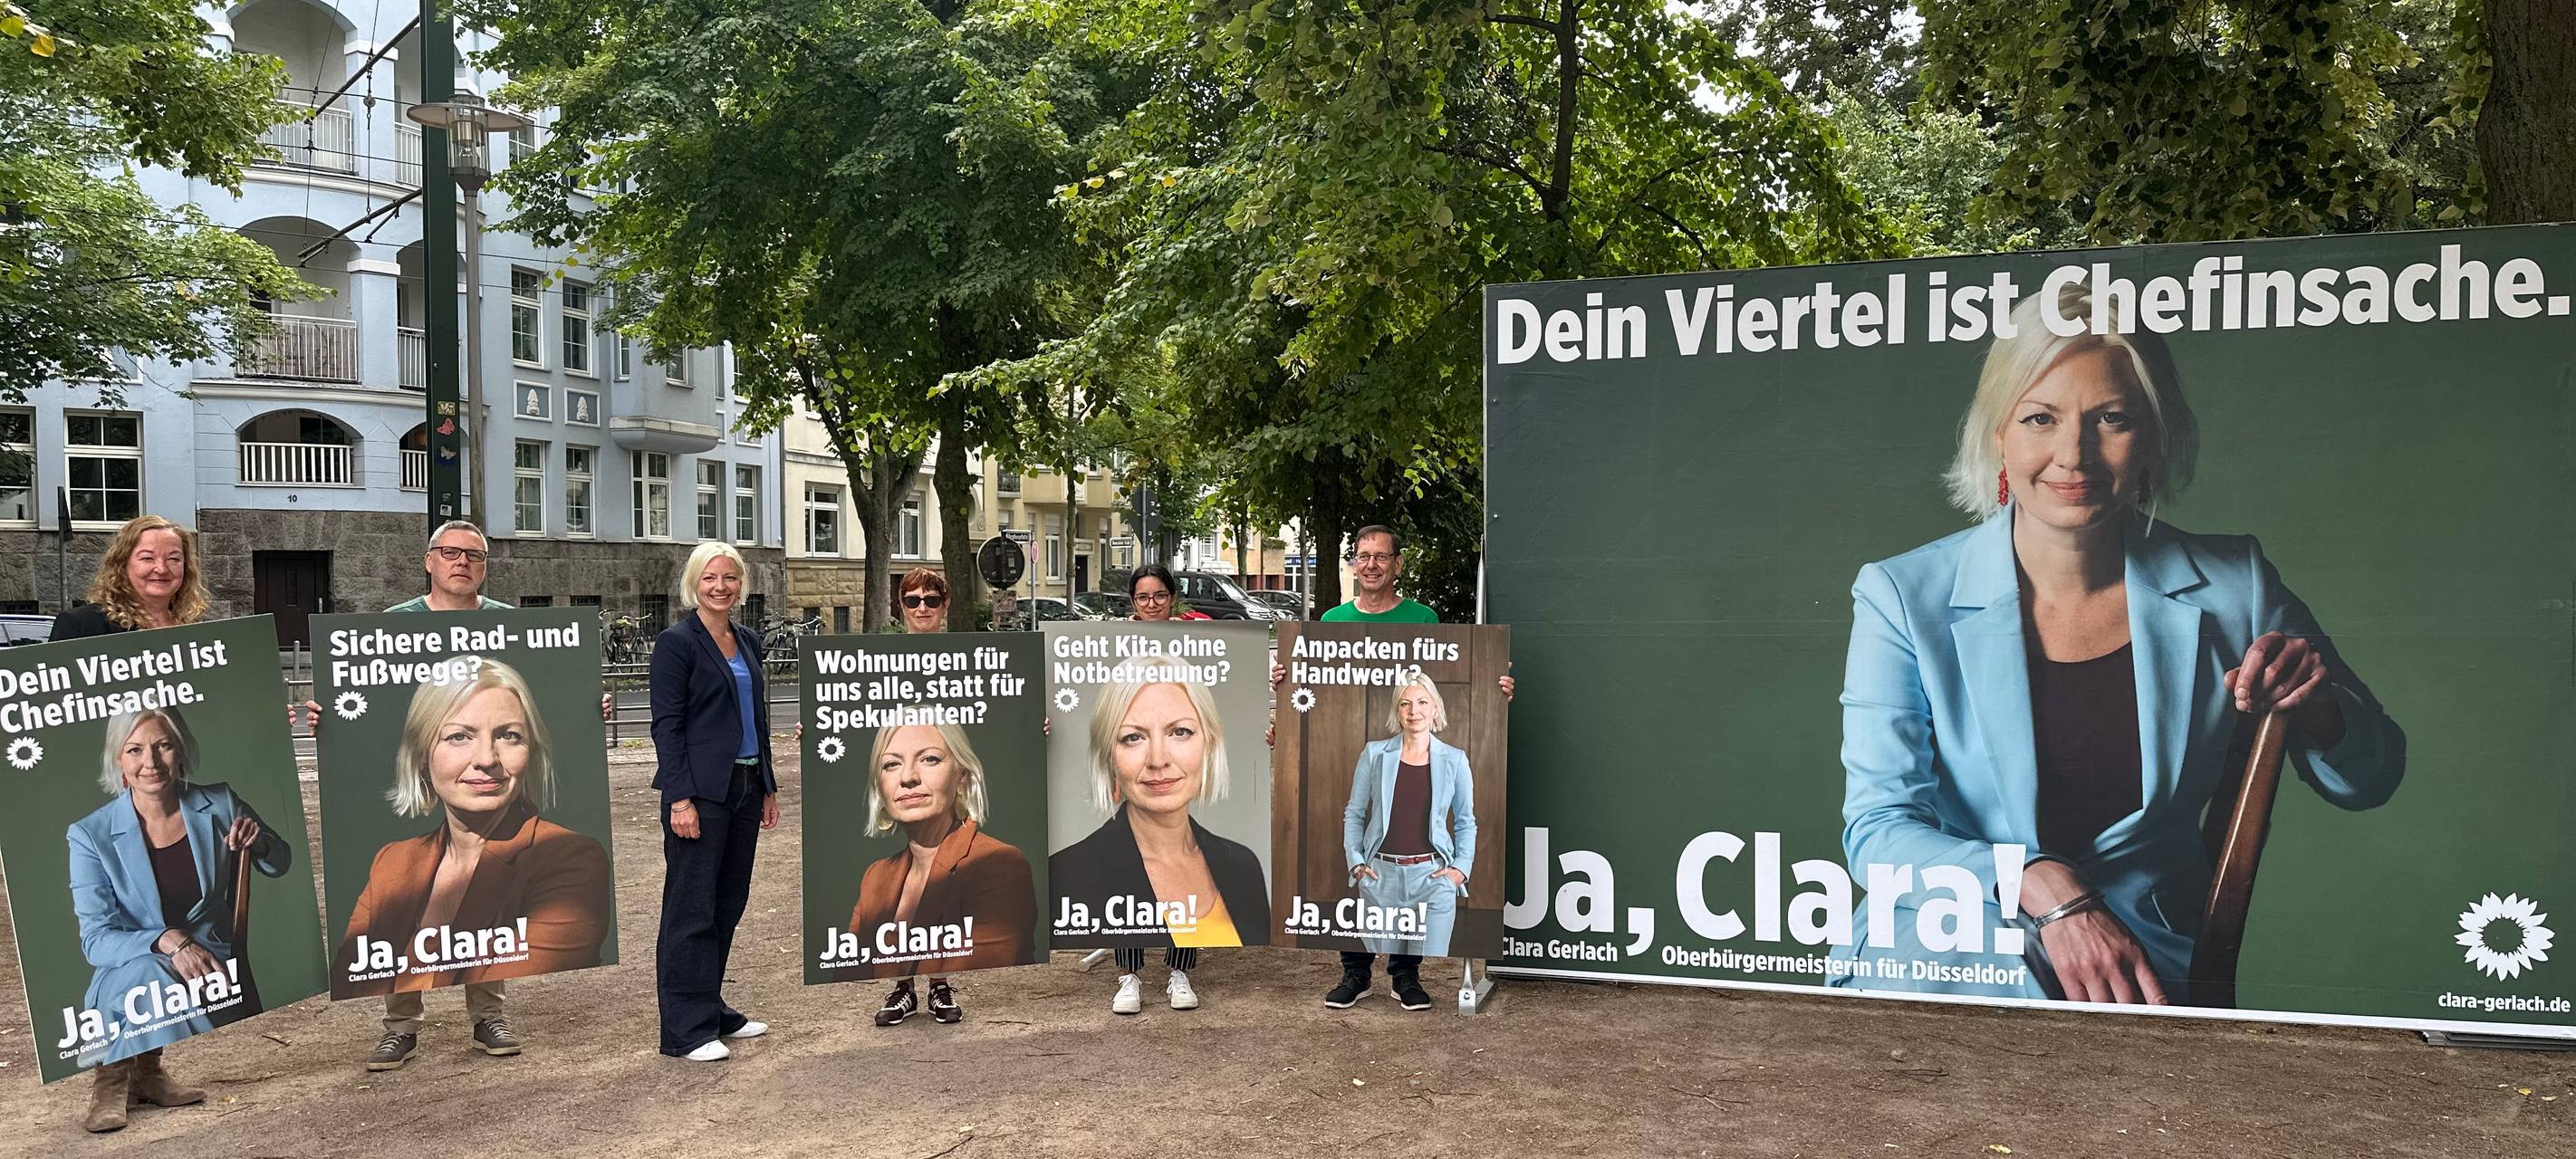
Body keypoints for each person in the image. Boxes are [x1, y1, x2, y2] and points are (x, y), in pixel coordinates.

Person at [1825, 283, 2404, 1006]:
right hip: (1945, 931)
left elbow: (2374, 776)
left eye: (2112, 419)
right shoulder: (1901, 594)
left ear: (2154, 439)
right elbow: (1878, 831)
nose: (2074, 455)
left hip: (2138, 945)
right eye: (2040, 418)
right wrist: (2042, 884)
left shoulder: (2236, 585)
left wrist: (2318, 709)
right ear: (1998, 433)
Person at [337, 520, 615, 1072]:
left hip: (512, 844)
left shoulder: (509, 627)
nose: (462, 562)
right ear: (428, 561)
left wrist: (590, 708)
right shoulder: (391, 627)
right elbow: (357, 700)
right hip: (423, 845)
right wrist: (328, 714)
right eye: (451, 553)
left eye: (475, 555)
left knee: (495, 907)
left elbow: (555, 690)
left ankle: (488, 1014)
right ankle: (400, 1026)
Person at [53, 516, 238, 1132]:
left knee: (173, 924)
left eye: (175, 560)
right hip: (130, 813)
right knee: (136, 952)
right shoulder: (83, 626)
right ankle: (114, 1080)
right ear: (122, 563)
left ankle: (149, 1070)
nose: (162, 569)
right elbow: (50, 703)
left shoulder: (187, 631)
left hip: (175, 814)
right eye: (148, 558)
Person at [1297, 525, 1511, 1012]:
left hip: (1425, 846)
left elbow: (1440, 667)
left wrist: (1500, 690)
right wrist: (1286, 684)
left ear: (1396, 564)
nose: (1371, 564)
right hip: (1366, 767)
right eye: (1362, 556)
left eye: (1381, 557)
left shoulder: (1424, 618)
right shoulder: (1332, 619)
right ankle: (1356, 974)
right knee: (1362, 886)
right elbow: (1311, 676)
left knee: (1414, 866)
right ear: (1353, 563)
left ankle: (1404, 976)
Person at [68, 707, 290, 1132]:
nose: (149, 762)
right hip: (132, 966)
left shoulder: (219, 802)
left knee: (151, 973)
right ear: (119, 759)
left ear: (181, 750)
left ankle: (128, 1077)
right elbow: (95, 940)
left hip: (211, 958)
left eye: (162, 745)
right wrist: (167, 939)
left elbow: (282, 862)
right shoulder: (90, 834)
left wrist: (259, 842)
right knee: (150, 967)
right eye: (134, 750)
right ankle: (126, 1079)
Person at [335, 658, 613, 997]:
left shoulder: (570, 859)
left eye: (509, 736)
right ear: (423, 753)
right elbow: (351, 973)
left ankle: (487, 1021)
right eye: (459, 736)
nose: (486, 758)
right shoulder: (391, 862)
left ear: (531, 750)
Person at [1051, 652, 1270, 1015]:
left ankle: (1179, 970)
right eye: (1133, 737)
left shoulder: (1243, 865)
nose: (1157, 759)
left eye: (1179, 732)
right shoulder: (1070, 869)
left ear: (1209, 743)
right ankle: (1128, 975)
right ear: (1110, 758)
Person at [651, 541, 779, 1061]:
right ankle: (684, 1031)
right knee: (690, 910)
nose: (720, 586)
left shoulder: (746, 638)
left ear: (740, 585)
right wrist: (680, 799)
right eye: (710, 578)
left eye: (729, 578)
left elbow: (759, 718)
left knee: (728, 902)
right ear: (694, 584)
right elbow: (667, 725)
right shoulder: (676, 643)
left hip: (746, 787)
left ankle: (710, 1007)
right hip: (700, 794)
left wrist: (768, 784)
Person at [1077, 565, 1208, 1007]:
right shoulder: (1111, 642)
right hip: (1129, 768)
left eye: (1159, 595)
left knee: (1185, 862)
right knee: (1126, 863)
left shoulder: (1198, 641)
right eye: (1142, 597)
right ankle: (1128, 974)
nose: (1151, 604)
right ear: (1132, 602)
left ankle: (1179, 971)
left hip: (1174, 776)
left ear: (1173, 597)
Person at [867, 567, 981, 1026]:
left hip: (941, 778)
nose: (921, 609)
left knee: (943, 875)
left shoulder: (969, 657)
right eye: (912, 600)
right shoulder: (878, 657)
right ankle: (902, 987)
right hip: (901, 779)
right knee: (903, 878)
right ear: (900, 606)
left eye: (931, 600)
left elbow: (994, 704)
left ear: (945, 605)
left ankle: (938, 984)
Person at [844, 722, 1037, 987]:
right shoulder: (876, 877)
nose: (908, 777)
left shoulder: (999, 864)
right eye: (891, 764)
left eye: (929, 759)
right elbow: (850, 970)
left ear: (962, 776)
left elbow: (980, 975)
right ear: (879, 785)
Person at [1341, 670, 1476, 958]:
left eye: (1422, 702)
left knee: (1425, 964)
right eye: (1405, 703)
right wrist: (1357, 865)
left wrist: (1459, 870)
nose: (1414, 711)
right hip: (1380, 878)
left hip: (1432, 879)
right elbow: (1354, 813)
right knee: (1384, 966)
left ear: (1435, 708)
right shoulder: (1374, 755)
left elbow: (1466, 821)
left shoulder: (1455, 760)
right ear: (1397, 711)